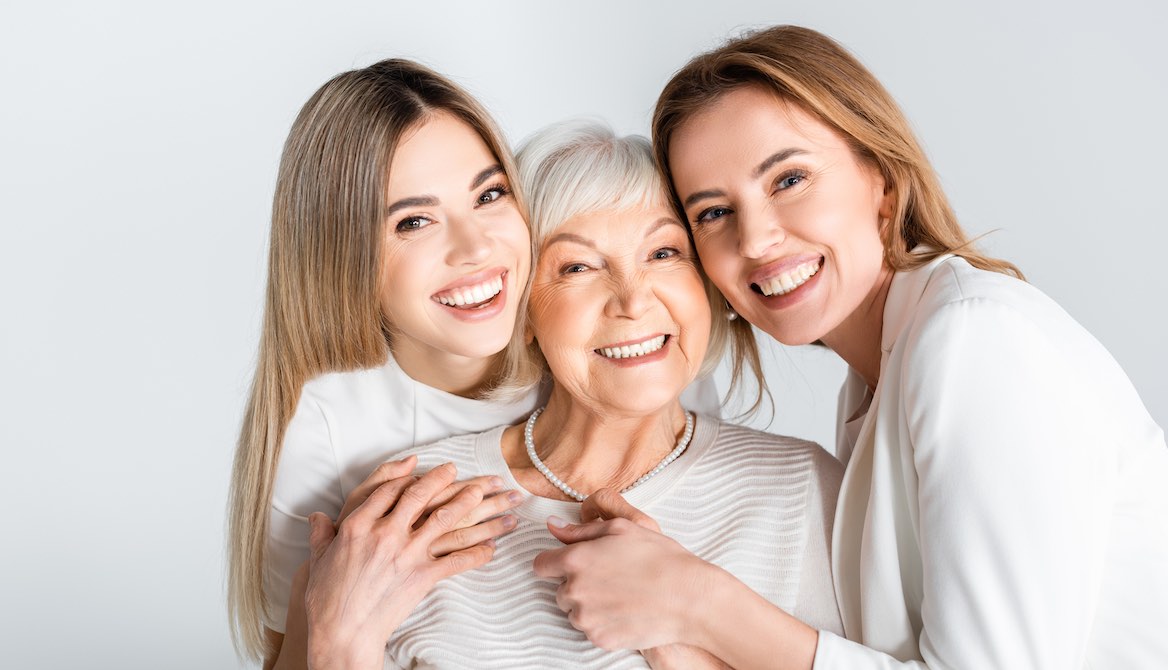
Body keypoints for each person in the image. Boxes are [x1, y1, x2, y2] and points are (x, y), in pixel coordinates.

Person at [533, 25, 1168, 669]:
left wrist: (701, 603)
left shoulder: (973, 339)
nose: (755, 240)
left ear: (883, 180)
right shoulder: (874, 380)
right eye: (714, 213)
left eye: (788, 180)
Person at [226, 60, 721, 669]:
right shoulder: (328, 431)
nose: (477, 248)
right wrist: (341, 621)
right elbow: (298, 651)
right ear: (344, 258)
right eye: (414, 221)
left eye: (489, 194)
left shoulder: (614, 343)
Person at [302, 120, 844, 669]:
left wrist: (676, 632)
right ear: (524, 308)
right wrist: (335, 641)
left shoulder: (806, 490)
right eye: (578, 266)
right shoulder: (415, 512)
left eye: (663, 253)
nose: (632, 300)